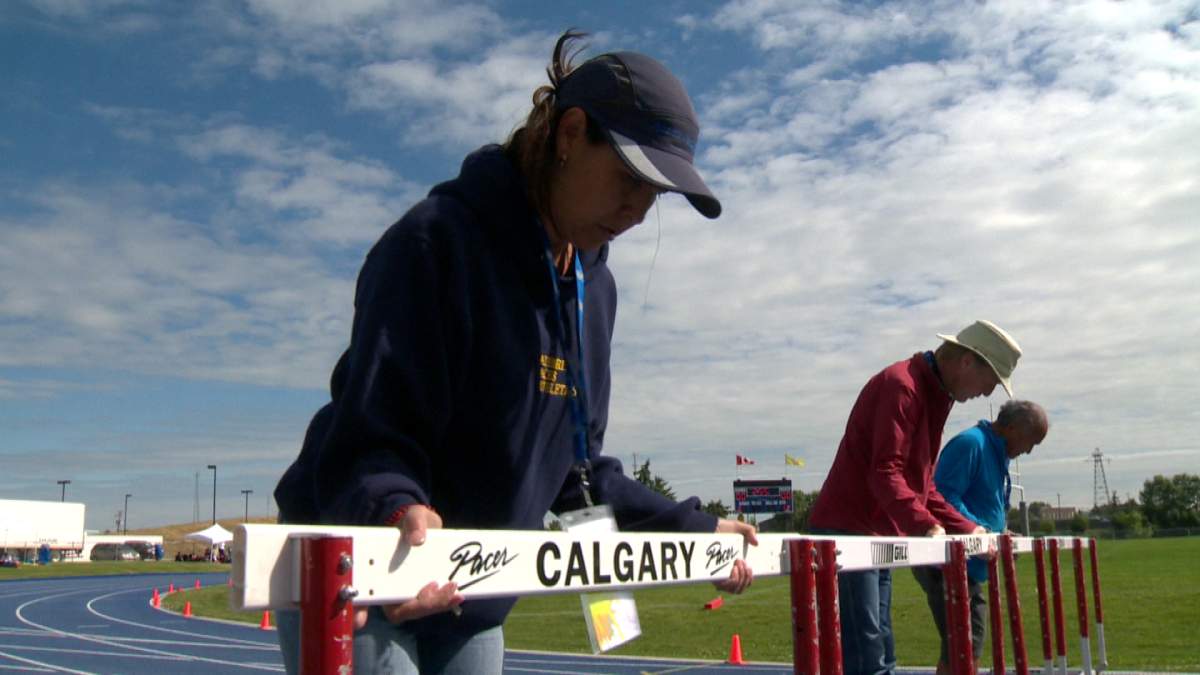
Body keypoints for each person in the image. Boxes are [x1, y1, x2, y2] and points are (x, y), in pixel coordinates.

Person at [272, 30, 755, 675]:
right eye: (628, 178)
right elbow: (370, 435)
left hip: (473, 592)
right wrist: (396, 513)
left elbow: (575, 474)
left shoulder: (595, 290)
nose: (638, 210)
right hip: (363, 572)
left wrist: (690, 529)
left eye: (655, 193)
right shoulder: (434, 243)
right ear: (568, 134)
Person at [807, 319, 1023, 675]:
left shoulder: (933, 393)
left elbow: (924, 487)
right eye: (991, 382)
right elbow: (885, 472)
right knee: (867, 656)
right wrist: (926, 526)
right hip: (848, 532)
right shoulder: (903, 386)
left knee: (882, 652)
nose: (987, 394)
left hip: (877, 532)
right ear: (968, 362)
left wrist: (970, 529)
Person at [912, 399, 1049, 675]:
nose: (1029, 450)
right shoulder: (972, 444)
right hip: (946, 562)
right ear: (1011, 428)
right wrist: (980, 530)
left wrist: (996, 533)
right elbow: (941, 497)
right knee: (965, 643)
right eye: (1030, 441)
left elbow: (978, 502)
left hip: (965, 562)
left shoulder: (995, 452)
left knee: (963, 644)